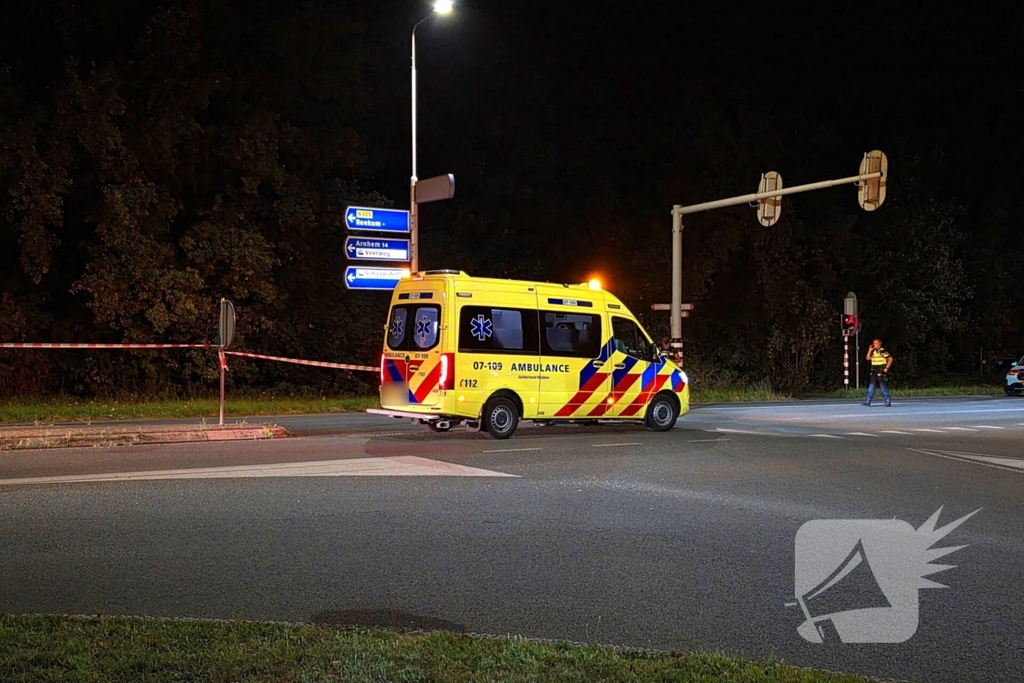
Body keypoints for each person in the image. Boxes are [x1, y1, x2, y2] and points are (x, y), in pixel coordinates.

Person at [863, 338, 894, 407]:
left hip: (881, 371)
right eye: (873, 343)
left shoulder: (882, 351)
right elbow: (868, 358)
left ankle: (887, 401)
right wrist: (869, 350)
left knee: (883, 386)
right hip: (874, 371)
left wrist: (886, 368)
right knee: (871, 386)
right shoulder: (873, 351)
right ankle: (868, 401)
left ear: (880, 344)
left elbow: (890, 359)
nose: (874, 344)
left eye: (876, 343)